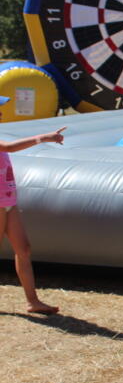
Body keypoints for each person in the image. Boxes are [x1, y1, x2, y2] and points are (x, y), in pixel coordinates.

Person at [0, 96, 66, 314]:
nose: (1, 112)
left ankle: (32, 302)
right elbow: (9, 147)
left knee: (24, 249)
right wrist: (43, 138)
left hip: (8, 202)